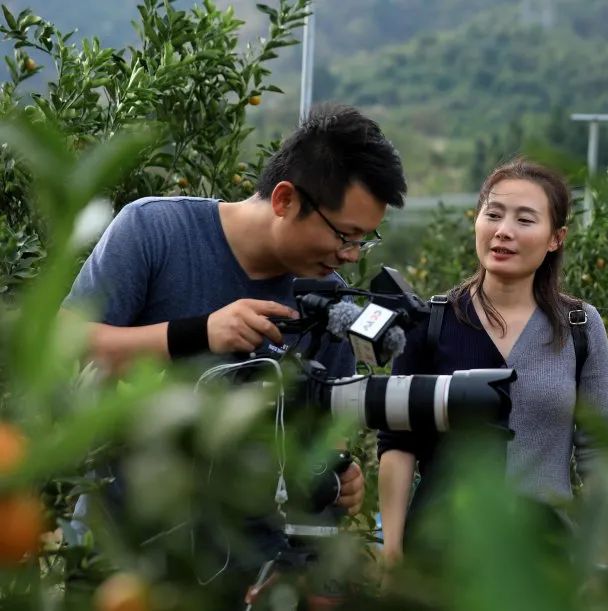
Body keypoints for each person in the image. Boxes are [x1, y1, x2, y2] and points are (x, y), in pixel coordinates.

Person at [62, 103, 407, 599]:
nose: (350, 255)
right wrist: (198, 333)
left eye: (362, 240)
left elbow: (319, 439)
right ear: (286, 199)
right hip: (120, 558)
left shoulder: (326, 300)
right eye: (344, 235)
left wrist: (337, 476)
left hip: (254, 575)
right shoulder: (155, 231)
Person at [377, 159, 608, 563]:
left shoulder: (579, 325)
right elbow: (398, 445)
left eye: (525, 219)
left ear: (556, 238)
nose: (504, 231)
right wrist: (394, 555)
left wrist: (598, 559)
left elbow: (598, 454)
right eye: (493, 214)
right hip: (440, 556)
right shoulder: (431, 323)